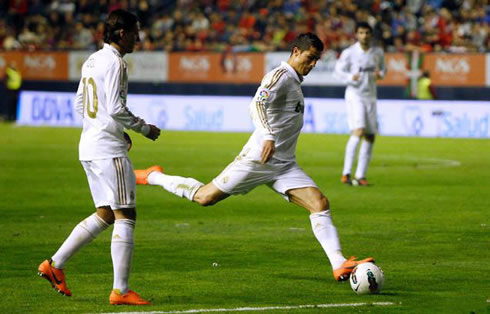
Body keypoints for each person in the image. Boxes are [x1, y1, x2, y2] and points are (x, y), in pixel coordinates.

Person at [136, 33, 374, 282]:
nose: (313, 64)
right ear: (295, 52)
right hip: (258, 159)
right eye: (310, 57)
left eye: (316, 60)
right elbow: (256, 105)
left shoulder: (294, 81)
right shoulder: (279, 76)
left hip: (284, 165)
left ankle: (339, 263)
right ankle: (153, 176)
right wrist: (268, 135)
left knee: (319, 203)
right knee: (205, 197)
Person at [37, 9, 160, 305]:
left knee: (106, 213)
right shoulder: (116, 63)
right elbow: (116, 109)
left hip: (89, 146)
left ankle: (54, 264)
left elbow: (80, 103)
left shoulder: (92, 60)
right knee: (125, 214)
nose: (138, 39)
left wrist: (106, 128)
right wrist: (144, 128)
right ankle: (120, 290)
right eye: (135, 33)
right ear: (122, 34)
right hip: (108, 149)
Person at [335, 22, 386, 186]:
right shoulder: (349, 53)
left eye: (367, 33)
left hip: (371, 96)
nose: (364, 36)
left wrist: (380, 74)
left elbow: (383, 70)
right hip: (355, 95)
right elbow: (337, 72)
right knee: (359, 130)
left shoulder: (377, 52)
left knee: (370, 136)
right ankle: (346, 173)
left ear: (371, 34)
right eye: (361, 33)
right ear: (356, 35)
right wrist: (351, 77)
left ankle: (360, 176)